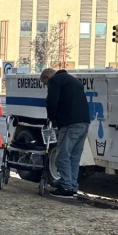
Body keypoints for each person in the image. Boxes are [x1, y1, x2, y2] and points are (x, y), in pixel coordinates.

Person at [40, 67, 90, 198]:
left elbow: (52, 101)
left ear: (47, 78)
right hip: (84, 122)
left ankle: (66, 186)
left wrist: (52, 118)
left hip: (70, 123)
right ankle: (72, 186)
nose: (46, 86)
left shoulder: (55, 81)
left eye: (45, 84)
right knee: (74, 157)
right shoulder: (73, 80)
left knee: (62, 156)